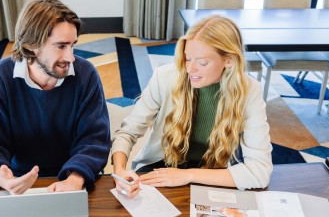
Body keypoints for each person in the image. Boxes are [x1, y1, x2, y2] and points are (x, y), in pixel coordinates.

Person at [111, 15, 272, 198]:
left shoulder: (249, 91)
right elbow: (128, 132)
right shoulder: (164, 77)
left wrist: (187, 175)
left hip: (213, 171)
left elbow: (260, 171)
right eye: (188, 58)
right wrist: (119, 170)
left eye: (202, 62)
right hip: (163, 164)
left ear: (229, 60)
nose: (190, 69)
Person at [0, 0, 110, 194]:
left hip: (73, 175)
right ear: (32, 45)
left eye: (72, 45)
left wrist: (75, 180)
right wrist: (0, 175)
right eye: (61, 46)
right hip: (16, 178)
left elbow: (94, 140)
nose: (70, 57)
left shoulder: (86, 74)